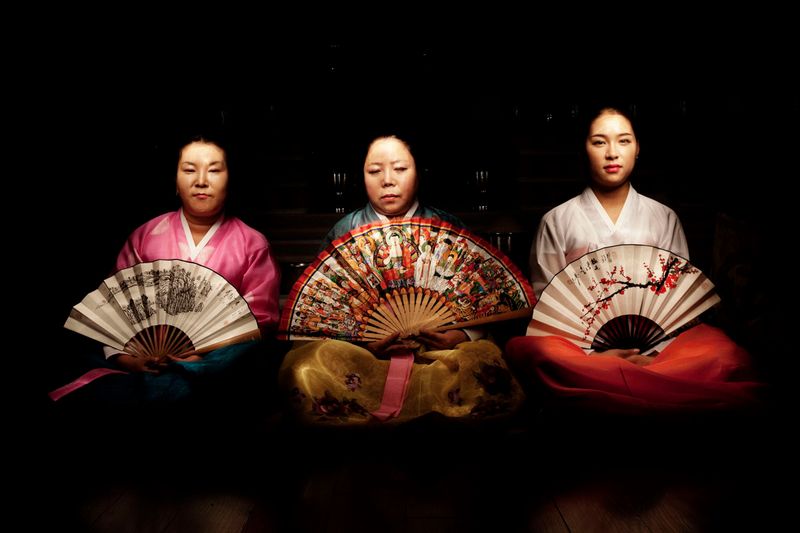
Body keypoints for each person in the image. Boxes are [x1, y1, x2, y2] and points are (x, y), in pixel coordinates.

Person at [505, 106, 763, 414]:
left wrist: (654, 353)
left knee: (723, 352)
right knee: (533, 352)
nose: (612, 153)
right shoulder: (557, 220)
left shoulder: (663, 217)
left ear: (638, 148)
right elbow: (548, 308)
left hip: (662, 352)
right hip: (580, 354)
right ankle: (640, 382)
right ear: (584, 148)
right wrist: (591, 357)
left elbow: (679, 302)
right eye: (599, 142)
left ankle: (630, 378)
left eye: (623, 141)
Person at [280, 134, 524, 424]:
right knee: (307, 366)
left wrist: (461, 335)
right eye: (374, 171)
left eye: (400, 168)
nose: (387, 180)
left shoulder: (447, 226)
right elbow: (322, 314)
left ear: (419, 174)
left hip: (440, 350)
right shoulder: (344, 230)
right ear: (362, 177)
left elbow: (485, 301)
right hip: (365, 355)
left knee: (485, 365)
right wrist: (364, 343)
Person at [51, 131, 281, 406]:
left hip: (215, 361)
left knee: (246, 355)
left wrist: (201, 356)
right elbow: (115, 309)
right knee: (83, 346)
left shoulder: (252, 244)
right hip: (141, 354)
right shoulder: (146, 236)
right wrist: (128, 358)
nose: (201, 181)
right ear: (175, 179)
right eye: (189, 170)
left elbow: (259, 322)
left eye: (215, 170)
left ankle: (176, 382)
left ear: (230, 180)